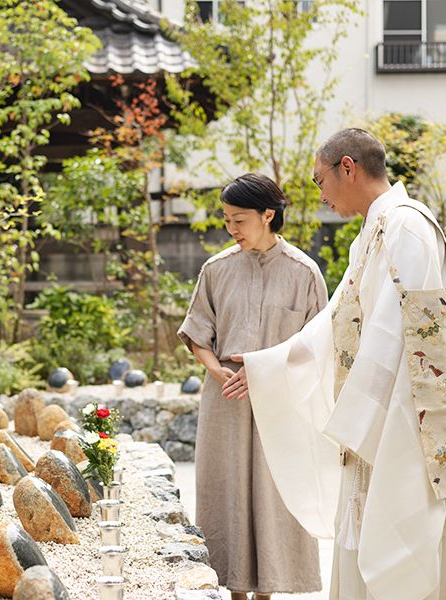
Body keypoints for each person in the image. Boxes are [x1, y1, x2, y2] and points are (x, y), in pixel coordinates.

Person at [222, 128, 446, 599]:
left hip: (408, 422)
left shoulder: (407, 226)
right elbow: (336, 321)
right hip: (379, 417)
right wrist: (268, 365)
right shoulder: (372, 232)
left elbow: (401, 333)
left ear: (349, 167)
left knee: (408, 537)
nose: (320, 193)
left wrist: (366, 418)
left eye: (321, 179)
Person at [177, 173, 326, 600]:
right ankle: (233, 592)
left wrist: (267, 370)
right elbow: (197, 335)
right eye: (226, 220)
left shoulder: (304, 272)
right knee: (225, 493)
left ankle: (268, 592)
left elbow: (317, 345)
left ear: (268, 215)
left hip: (281, 403)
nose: (232, 229)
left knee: (276, 495)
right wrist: (215, 370)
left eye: (239, 220)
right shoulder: (216, 269)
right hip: (226, 401)